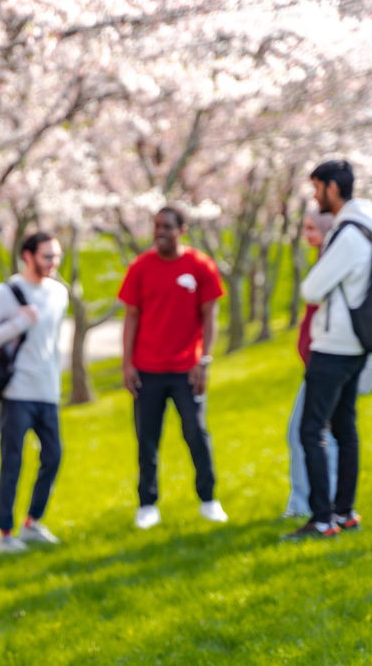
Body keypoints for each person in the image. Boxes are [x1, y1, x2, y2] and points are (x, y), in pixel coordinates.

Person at [285, 159, 372, 540]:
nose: (315, 195)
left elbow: (311, 289)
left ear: (332, 187)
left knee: (311, 431)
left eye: (316, 188)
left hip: (334, 347)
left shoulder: (347, 234)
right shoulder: (367, 230)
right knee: (345, 428)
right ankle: (344, 513)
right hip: (355, 345)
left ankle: (323, 519)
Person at [119, 205, 229, 529]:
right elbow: (131, 317)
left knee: (197, 433)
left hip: (187, 370)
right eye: (156, 226)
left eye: (167, 226)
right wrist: (126, 364)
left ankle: (208, 499)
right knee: (147, 440)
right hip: (147, 369)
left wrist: (204, 360)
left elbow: (210, 317)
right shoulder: (140, 267)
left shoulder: (200, 266)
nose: (160, 232)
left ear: (182, 229)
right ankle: (147, 504)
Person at [0, 231, 67, 553]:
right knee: (12, 462)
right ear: (27, 256)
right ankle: (5, 534)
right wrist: (18, 324)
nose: (54, 262)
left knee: (54, 455)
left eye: (57, 256)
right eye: (47, 256)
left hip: (48, 392)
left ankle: (32, 522)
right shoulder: (5, 293)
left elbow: (53, 343)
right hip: (17, 392)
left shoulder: (59, 293)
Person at [283, 210, 339, 518]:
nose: (306, 234)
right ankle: (314, 502)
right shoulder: (322, 261)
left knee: (305, 432)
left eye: (311, 228)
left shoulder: (332, 265)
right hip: (316, 364)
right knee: (318, 433)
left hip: (326, 363)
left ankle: (308, 504)